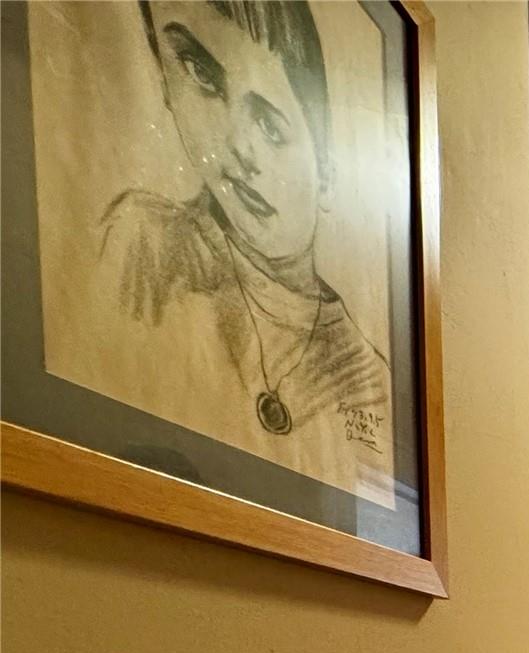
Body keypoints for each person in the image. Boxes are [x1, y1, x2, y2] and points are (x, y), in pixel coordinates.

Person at [98, 0, 392, 500]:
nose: (238, 147)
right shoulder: (143, 240)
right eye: (201, 75)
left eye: (272, 127)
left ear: (327, 173)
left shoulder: (370, 382)